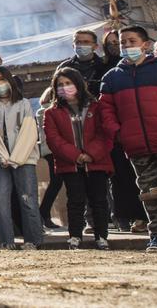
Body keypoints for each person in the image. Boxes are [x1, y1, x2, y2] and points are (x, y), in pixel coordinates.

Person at [97, 25, 157, 251]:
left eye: (131, 41)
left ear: (145, 44)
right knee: (150, 192)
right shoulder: (112, 78)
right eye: (123, 42)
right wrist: (119, 134)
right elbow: (106, 111)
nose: (126, 46)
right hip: (137, 147)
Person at [43, 67, 113, 250]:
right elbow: (54, 140)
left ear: (78, 84)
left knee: (99, 200)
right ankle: (75, 236)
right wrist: (76, 156)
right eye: (60, 84)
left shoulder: (96, 107)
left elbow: (104, 133)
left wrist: (91, 154)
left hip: (97, 162)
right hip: (70, 165)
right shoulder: (51, 113)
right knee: (75, 200)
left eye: (68, 83)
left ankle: (102, 236)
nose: (64, 87)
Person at [0, 67, 44, 250]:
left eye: (1, 79)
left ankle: (33, 240)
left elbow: (29, 132)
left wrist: (17, 158)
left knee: (28, 199)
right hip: (0, 161)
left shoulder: (24, 103)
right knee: (1, 201)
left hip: (24, 159)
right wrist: (3, 158)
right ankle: (6, 241)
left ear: (10, 81)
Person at [34, 86, 64, 231]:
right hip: (53, 150)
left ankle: (44, 213)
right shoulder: (46, 111)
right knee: (56, 182)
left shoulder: (42, 111)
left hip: (49, 150)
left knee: (57, 182)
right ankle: (44, 212)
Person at [59, 30, 108, 97]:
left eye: (86, 42)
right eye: (78, 42)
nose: (82, 45)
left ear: (95, 46)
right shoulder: (64, 67)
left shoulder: (105, 65)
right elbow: (57, 90)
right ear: (73, 46)